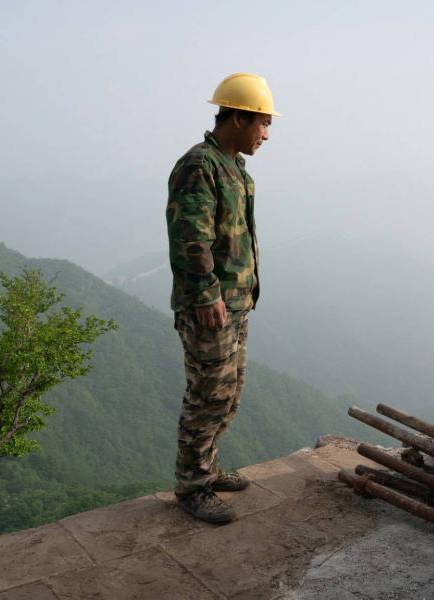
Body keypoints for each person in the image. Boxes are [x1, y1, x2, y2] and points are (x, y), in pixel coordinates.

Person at [165, 73, 279, 524]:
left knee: (228, 395)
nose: (266, 134)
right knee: (207, 396)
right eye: (262, 123)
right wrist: (206, 294)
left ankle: (208, 469)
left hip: (234, 305)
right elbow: (191, 237)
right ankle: (192, 486)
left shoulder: (234, 167)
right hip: (209, 307)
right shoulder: (200, 165)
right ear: (236, 117)